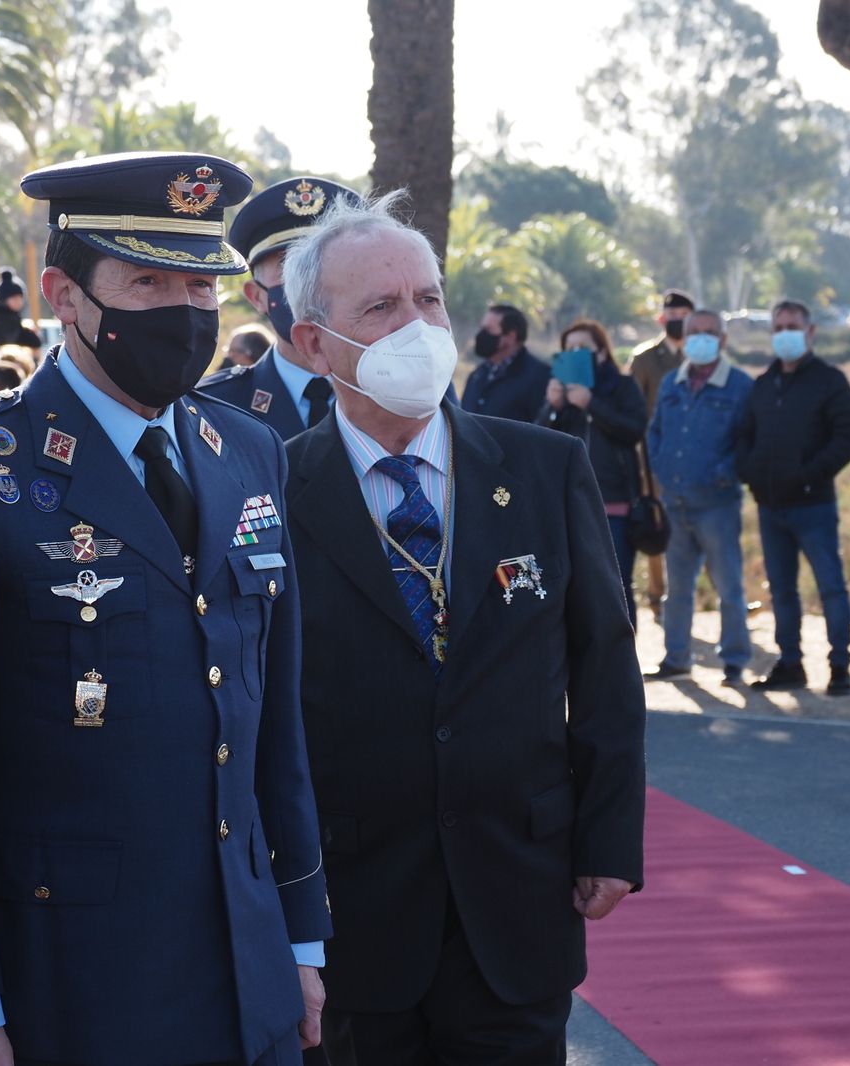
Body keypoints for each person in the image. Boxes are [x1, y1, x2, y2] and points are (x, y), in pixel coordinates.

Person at [0, 151, 331, 1065]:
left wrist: (303, 934)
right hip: (76, 984)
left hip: (250, 969)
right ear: (63, 295)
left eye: (202, 286)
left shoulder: (247, 449)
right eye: (148, 279)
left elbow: (275, 717)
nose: (186, 311)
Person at [281, 191, 644, 1066]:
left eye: (429, 298)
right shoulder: (272, 490)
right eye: (381, 306)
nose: (418, 324)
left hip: (518, 901)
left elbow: (604, 667)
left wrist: (609, 840)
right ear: (313, 344)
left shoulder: (544, 468)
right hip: (354, 919)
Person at [737, 299, 850, 695]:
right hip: (770, 507)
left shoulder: (830, 381)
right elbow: (745, 438)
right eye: (778, 328)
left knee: (831, 588)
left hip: (814, 506)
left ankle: (840, 665)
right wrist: (751, 474)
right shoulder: (763, 384)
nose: (784, 334)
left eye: (792, 326)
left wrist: (809, 476)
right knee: (782, 590)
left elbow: (846, 440)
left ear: (810, 332)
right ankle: (790, 663)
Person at [198, 176, 362, 440]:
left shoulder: (401, 388)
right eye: (290, 268)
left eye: (326, 264)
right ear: (256, 296)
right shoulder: (215, 405)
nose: (310, 284)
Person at [644, 309, 754, 687]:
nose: (701, 339)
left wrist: (724, 474)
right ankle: (677, 657)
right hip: (675, 502)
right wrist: (660, 467)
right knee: (677, 588)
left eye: (710, 333)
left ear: (723, 340)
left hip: (718, 504)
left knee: (729, 587)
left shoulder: (740, 385)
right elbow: (655, 431)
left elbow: (748, 442)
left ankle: (736, 661)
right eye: (695, 333)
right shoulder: (673, 382)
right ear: (685, 338)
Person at [537, 318, 648, 616]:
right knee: (574, 589)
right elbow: (539, 441)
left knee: (618, 586)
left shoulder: (622, 386)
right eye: (569, 348)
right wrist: (553, 409)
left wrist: (592, 404)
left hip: (614, 504)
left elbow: (634, 430)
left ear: (601, 352)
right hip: (568, 505)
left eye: (583, 347)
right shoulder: (558, 390)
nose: (575, 353)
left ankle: (624, 659)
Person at [631, 289, 696, 618]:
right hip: (655, 459)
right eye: (672, 318)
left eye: (684, 318)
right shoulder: (644, 358)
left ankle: (707, 597)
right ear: (661, 319)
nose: (677, 323)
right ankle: (658, 596)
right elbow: (633, 409)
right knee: (658, 526)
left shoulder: (701, 356)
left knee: (701, 526)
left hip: (697, 458)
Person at [460, 303, 551, 421]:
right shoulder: (477, 375)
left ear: (510, 336)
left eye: (488, 330)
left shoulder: (540, 376)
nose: (481, 335)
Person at [0, 267, 43, 352]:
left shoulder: (13, 318)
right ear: (3, 300)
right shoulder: (1, 320)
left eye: (20, 298)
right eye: (14, 298)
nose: (19, 301)